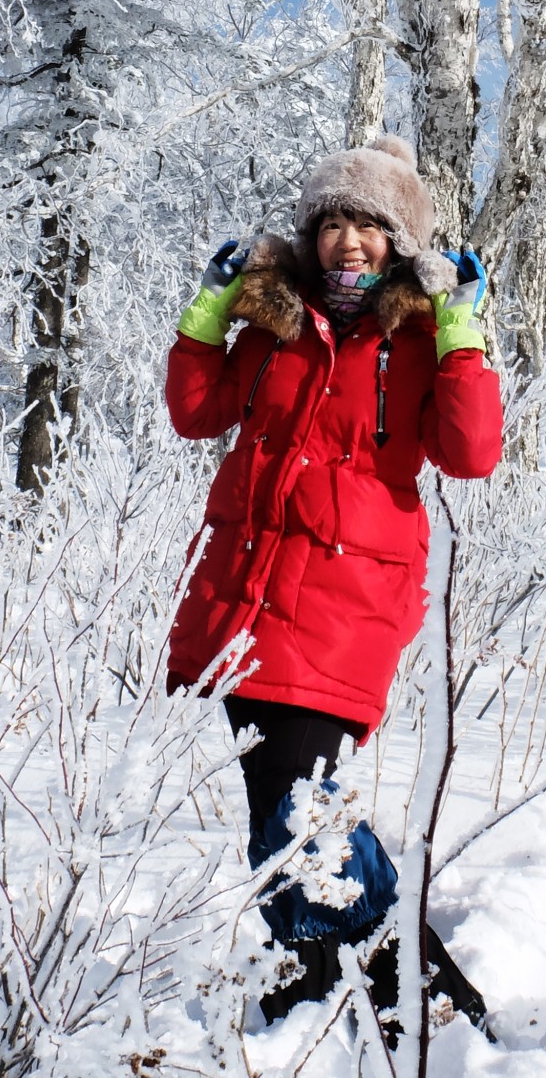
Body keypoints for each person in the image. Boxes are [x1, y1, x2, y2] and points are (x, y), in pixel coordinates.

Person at [164, 133, 503, 1035]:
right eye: (335, 221)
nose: (351, 240)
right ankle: (309, 975)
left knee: (302, 809)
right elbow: (198, 414)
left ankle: (422, 991)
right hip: (244, 599)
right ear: (312, 234)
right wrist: (208, 310)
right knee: (277, 814)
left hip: (344, 604)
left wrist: (464, 328)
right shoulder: (276, 326)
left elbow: (470, 454)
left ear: (398, 241)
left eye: (371, 224)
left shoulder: (423, 335)